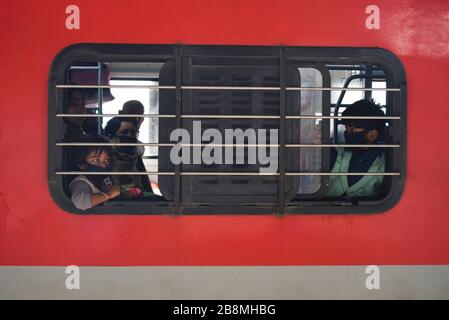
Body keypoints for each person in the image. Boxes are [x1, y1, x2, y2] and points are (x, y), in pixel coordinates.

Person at [325, 99, 386, 198]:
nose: (347, 134)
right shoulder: (336, 152)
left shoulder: (385, 164)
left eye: (353, 130)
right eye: (346, 129)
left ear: (372, 135)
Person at [104, 117, 152, 196]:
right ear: (111, 137)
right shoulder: (105, 160)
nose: (129, 136)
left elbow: (145, 188)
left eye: (133, 133)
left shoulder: (136, 158)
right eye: (124, 132)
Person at [70, 135, 121, 210]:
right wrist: (108, 195)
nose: (103, 165)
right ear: (82, 164)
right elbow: (80, 203)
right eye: (96, 160)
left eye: (106, 160)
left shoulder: (104, 178)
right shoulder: (81, 181)